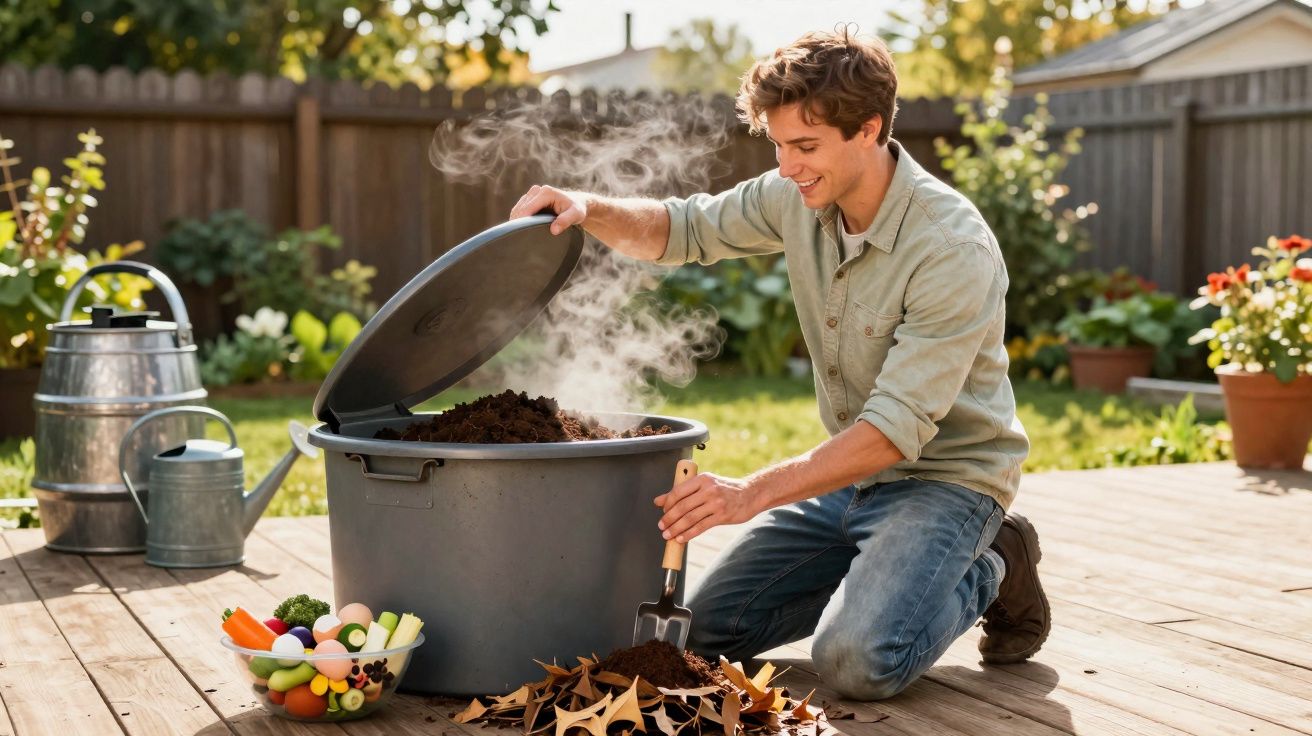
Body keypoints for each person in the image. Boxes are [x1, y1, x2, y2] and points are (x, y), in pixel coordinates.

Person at [508, 28, 1048, 701]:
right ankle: (880, 569)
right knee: (706, 635)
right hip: (852, 480)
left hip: (946, 481)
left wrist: (749, 494)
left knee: (857, 661)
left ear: (869, 130)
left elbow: (892, 430)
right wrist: (589, 209)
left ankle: (997, 559)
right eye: (779, 146)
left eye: (805, 147)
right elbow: (684, 229)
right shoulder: (797, 197)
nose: (787, 166)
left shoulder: (949, 248)